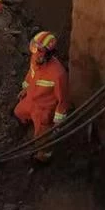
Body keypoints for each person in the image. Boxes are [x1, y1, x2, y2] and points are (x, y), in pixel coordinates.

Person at [14, 31, 69, 162]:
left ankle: (43, 157)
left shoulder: (58, 74)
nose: (35, 53)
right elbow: (30, 75)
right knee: (18, 112)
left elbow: (63, 101)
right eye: (34, 48)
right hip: (31, 100)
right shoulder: (35, 60)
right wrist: (25, 89)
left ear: (48, 54)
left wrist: (57, 123)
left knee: (42, 140)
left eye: (39, 50)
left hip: (44, 111)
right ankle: (27, 126)